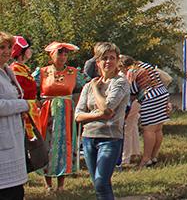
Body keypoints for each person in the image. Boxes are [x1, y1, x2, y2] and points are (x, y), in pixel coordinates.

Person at [75, 42, 130, 200]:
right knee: (98, 184)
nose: (108, 61)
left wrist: (95, 90)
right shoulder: (88, 86)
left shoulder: (120, 82)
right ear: (97, 62)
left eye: (112, 58)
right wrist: (99, 114)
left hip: (110, 138)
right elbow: (78, 115)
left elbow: (107, 110)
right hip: (88, 138)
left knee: (101, 182)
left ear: (117, 60)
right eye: (104, 58)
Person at [34, 41, 86, 191]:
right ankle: (48, 183)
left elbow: (88, 84)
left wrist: (79, 102)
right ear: (52, 55)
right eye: (59, 53)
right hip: (47, 112)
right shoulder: (43, 72)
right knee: (47, 144)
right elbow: (28, 86)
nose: (63, 56)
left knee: (64, 145)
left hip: (66, 113)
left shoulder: (73, 72)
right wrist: (36, 102)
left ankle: (61, 184)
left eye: (65, 53)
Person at [0, 31, 30, 200]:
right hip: (2, 144)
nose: (6, 51)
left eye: (9, 47)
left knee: (16, 191)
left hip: (12, 138)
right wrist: (24, 105)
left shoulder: (7, 70)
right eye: (1, 47)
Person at [137, 60, 171, 167]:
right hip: (162, 93)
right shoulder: (146, 65)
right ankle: (153, 156)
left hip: (150, 97)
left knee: (149, 129)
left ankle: (146, 159)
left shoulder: (133, 70)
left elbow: (133, 87)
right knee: (158, 129)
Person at [119, 56, 143, 166]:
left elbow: (130, 92)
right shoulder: (137, 72)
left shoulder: (127, 75)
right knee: (132, 127)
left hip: (131, 102)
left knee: (127, 129)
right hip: (138, 101)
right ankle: (135, 153)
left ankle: (125, 159)